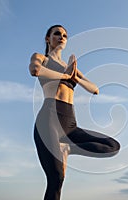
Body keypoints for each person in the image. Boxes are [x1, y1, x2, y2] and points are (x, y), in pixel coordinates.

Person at [29, 24, 120, 200]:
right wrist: (65, 76)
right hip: (49, 120)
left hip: (70, 125)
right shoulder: (42, 58)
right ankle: (65, 149)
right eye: (57, 34)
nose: (62, 37)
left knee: (112, 146)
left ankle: (68, 148)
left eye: (65, 35)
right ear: (48, 39)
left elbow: (95, 89)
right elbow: (35, 70)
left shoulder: (70, 67)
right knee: (56, 179)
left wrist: (75, 76)